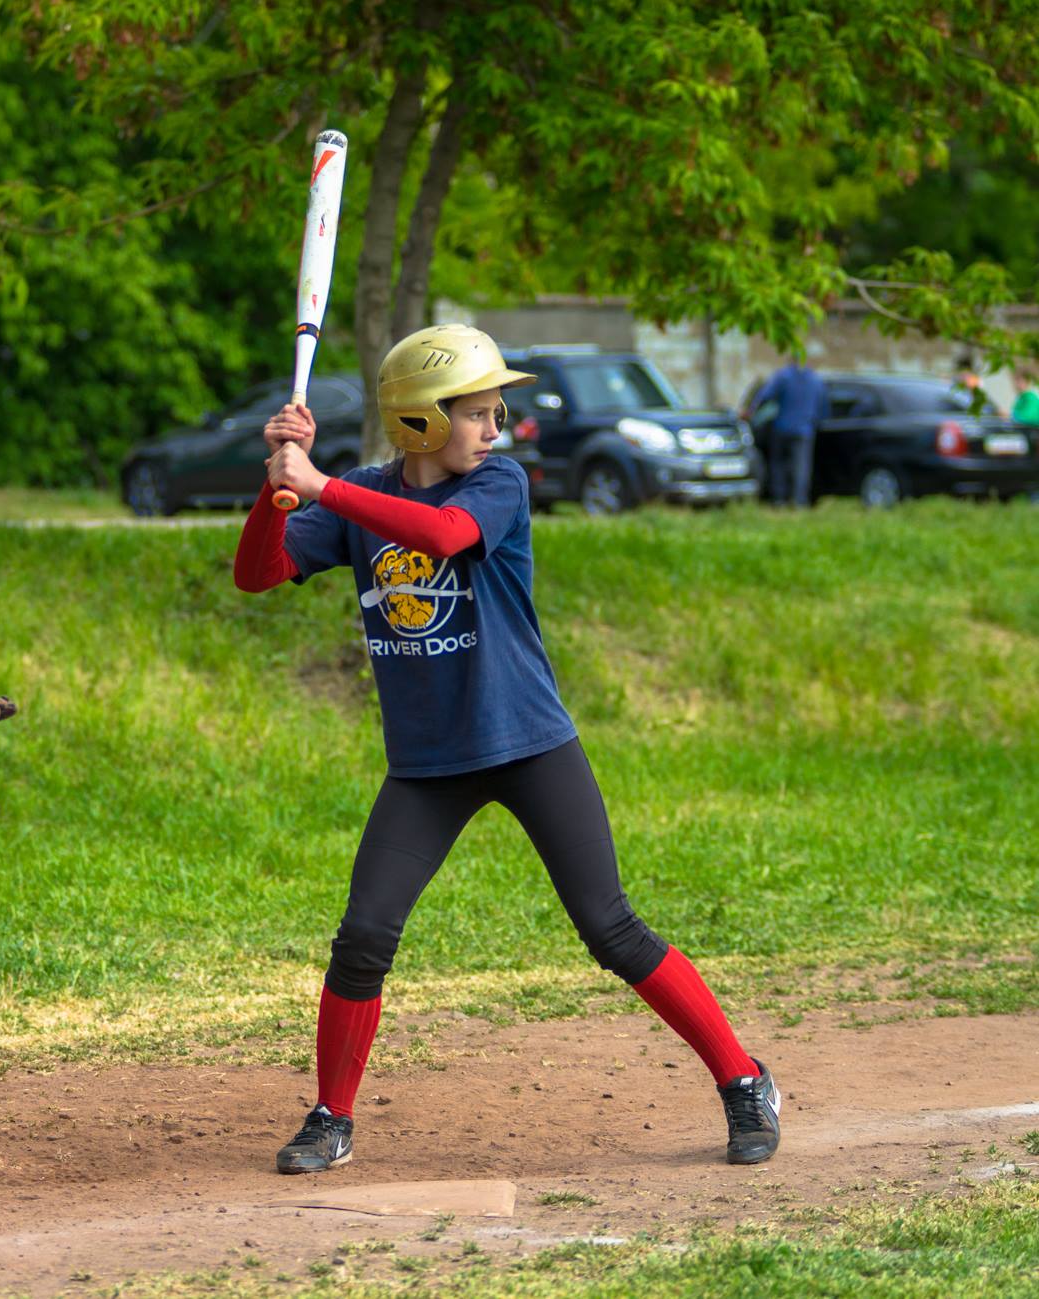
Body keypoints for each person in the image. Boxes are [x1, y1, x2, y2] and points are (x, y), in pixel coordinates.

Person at [233, 324, 781, 1176]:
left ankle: (745, 1080)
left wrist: (322, 485)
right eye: (480, 414)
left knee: (612, 929)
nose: (497, 430)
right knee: (363, 935)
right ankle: (330, 1115)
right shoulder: (361, 499)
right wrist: (273, 490)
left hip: (529, 742)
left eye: (498, 412)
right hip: (427, 765)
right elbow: (258, 574)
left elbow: (444, 537)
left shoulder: (498, 483)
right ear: (418, 422)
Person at [747, 356, 827, 508]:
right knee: (801, 467)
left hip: (782, 427)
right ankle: (799, 500)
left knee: (779, 464)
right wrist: (817, 422)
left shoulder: (783, 376)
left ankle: (779, 500)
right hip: (804, 430)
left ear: (791, 360)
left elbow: (765, 396)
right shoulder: (815, 379)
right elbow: (822, 405)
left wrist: (752, 411)